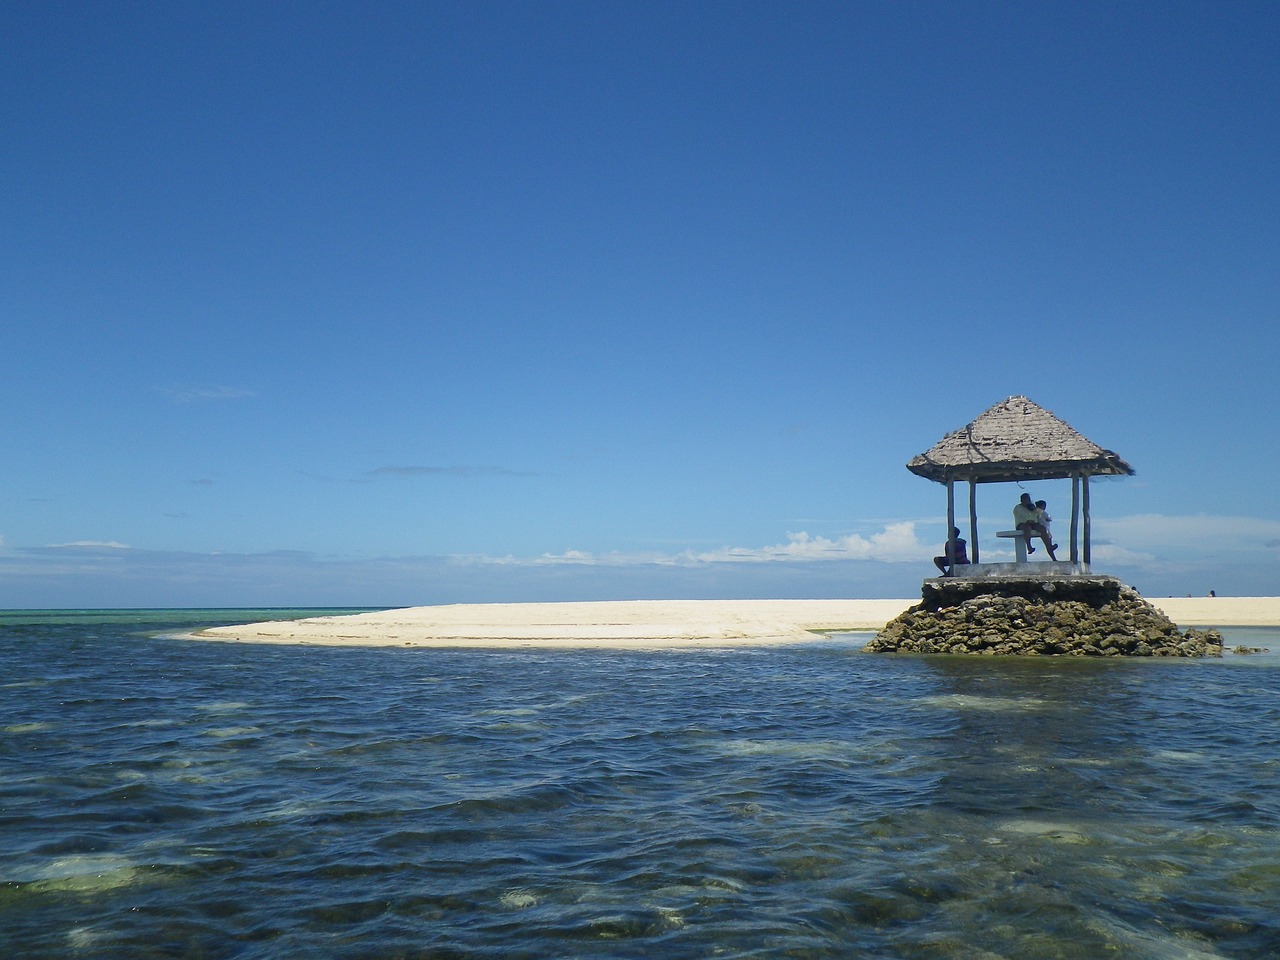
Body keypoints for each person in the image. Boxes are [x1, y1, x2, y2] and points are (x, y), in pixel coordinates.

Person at [1013, 493, 1057, 560]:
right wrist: (1027, 521)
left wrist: (1035, 509)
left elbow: (1041, 514)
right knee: (1027, 528)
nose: (1028, 501)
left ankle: (1049, 546)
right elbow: (1019, 516)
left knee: (1042, 529)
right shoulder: (1018, 508)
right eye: (1026, 499)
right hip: (1022, 524)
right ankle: (1029, 546)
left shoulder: (1031, 507)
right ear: (1022, 500)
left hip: (1033, 523)